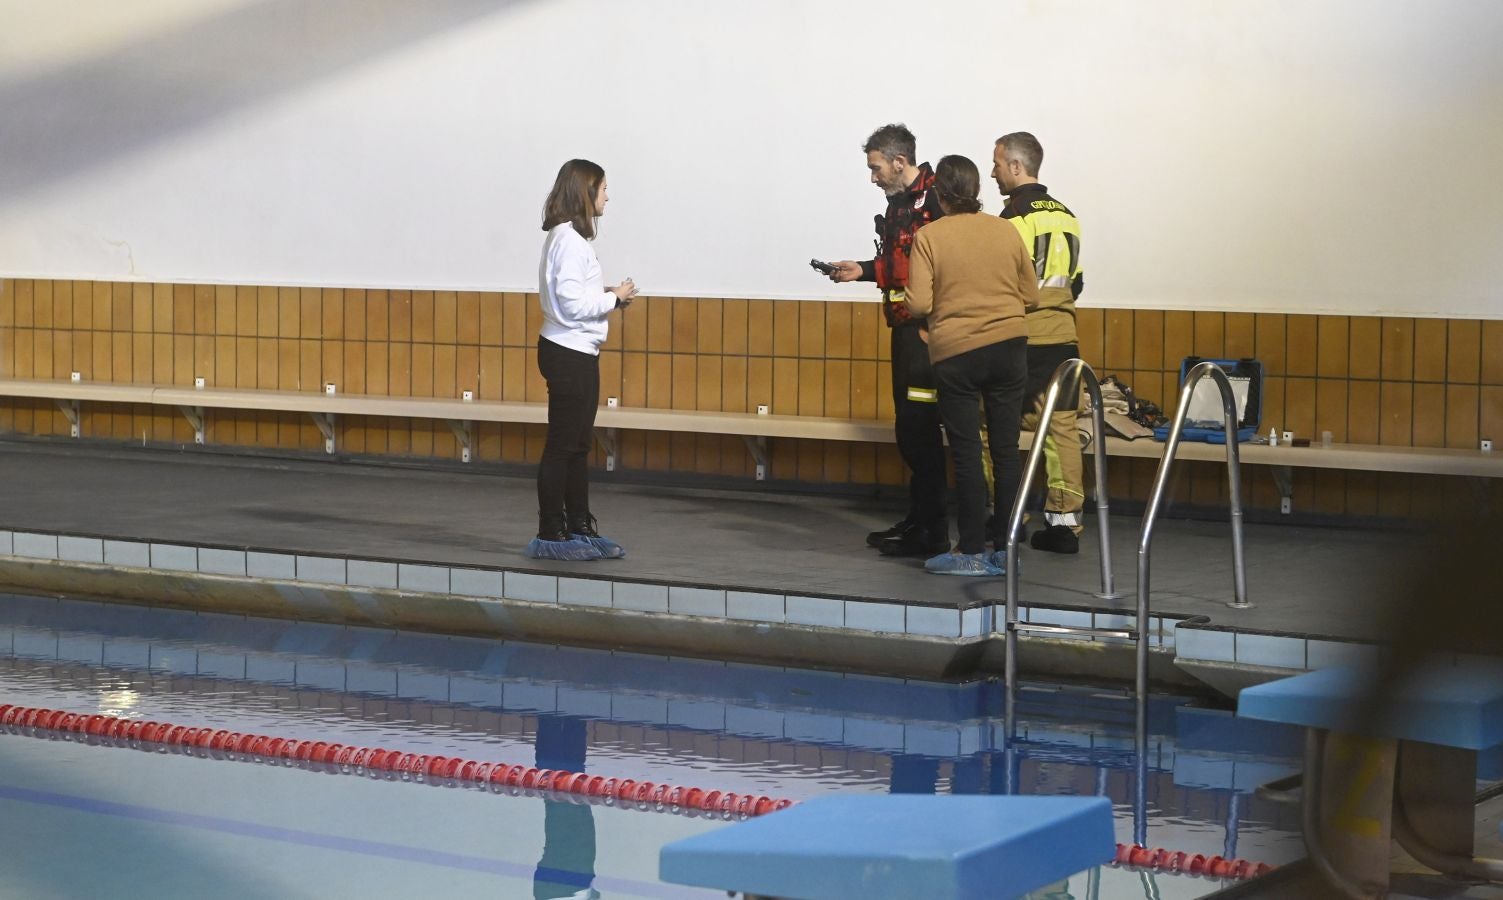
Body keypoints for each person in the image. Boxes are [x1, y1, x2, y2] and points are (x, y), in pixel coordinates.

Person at [904, 155, 1038, 575]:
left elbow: (919, 303)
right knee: (1006, 451)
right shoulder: (1005, 230)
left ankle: (972, 551)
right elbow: (1031, 295)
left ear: (939, 194)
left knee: (966, 452)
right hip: (1009, 348)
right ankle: (1007, 549)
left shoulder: (930, 236)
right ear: (976, 189)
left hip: (957, 352)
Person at [827, 124, 949, 558]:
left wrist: (873, 270)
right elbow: (899, 263)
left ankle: (933, 532)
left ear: (900, 162)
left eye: (876, 168)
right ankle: (920, 519)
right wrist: (863, 269)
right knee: (910, 429)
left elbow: (932, 266)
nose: (872, 177)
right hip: (905, 328)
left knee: (921, 429)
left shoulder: (936, 200)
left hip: (927, 332)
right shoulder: (900, 203)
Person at [525, 159, 637, 561]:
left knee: (577, 445)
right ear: (586, 193)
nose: (607, 196)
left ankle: (579, 527)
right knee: (563, 446)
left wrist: (607, 295)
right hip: (568, 353)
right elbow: (572, 305)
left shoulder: (565, 238)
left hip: (574, 351)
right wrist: (614, 299)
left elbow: (569, 297)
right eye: (603, 189)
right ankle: (551, 534)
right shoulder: (570, 242)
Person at [993, 132, 1087, 554]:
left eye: (997, 164)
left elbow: (1003, 281)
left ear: (1016, 166)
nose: (993, 172)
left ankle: (1006, 516)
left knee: (994, 424)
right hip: (1065, 339)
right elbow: (1076, 283)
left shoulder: (1013, 217)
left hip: (1023, 337)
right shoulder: (1068, 216)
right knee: (1061, 427)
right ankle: (1065, 525)